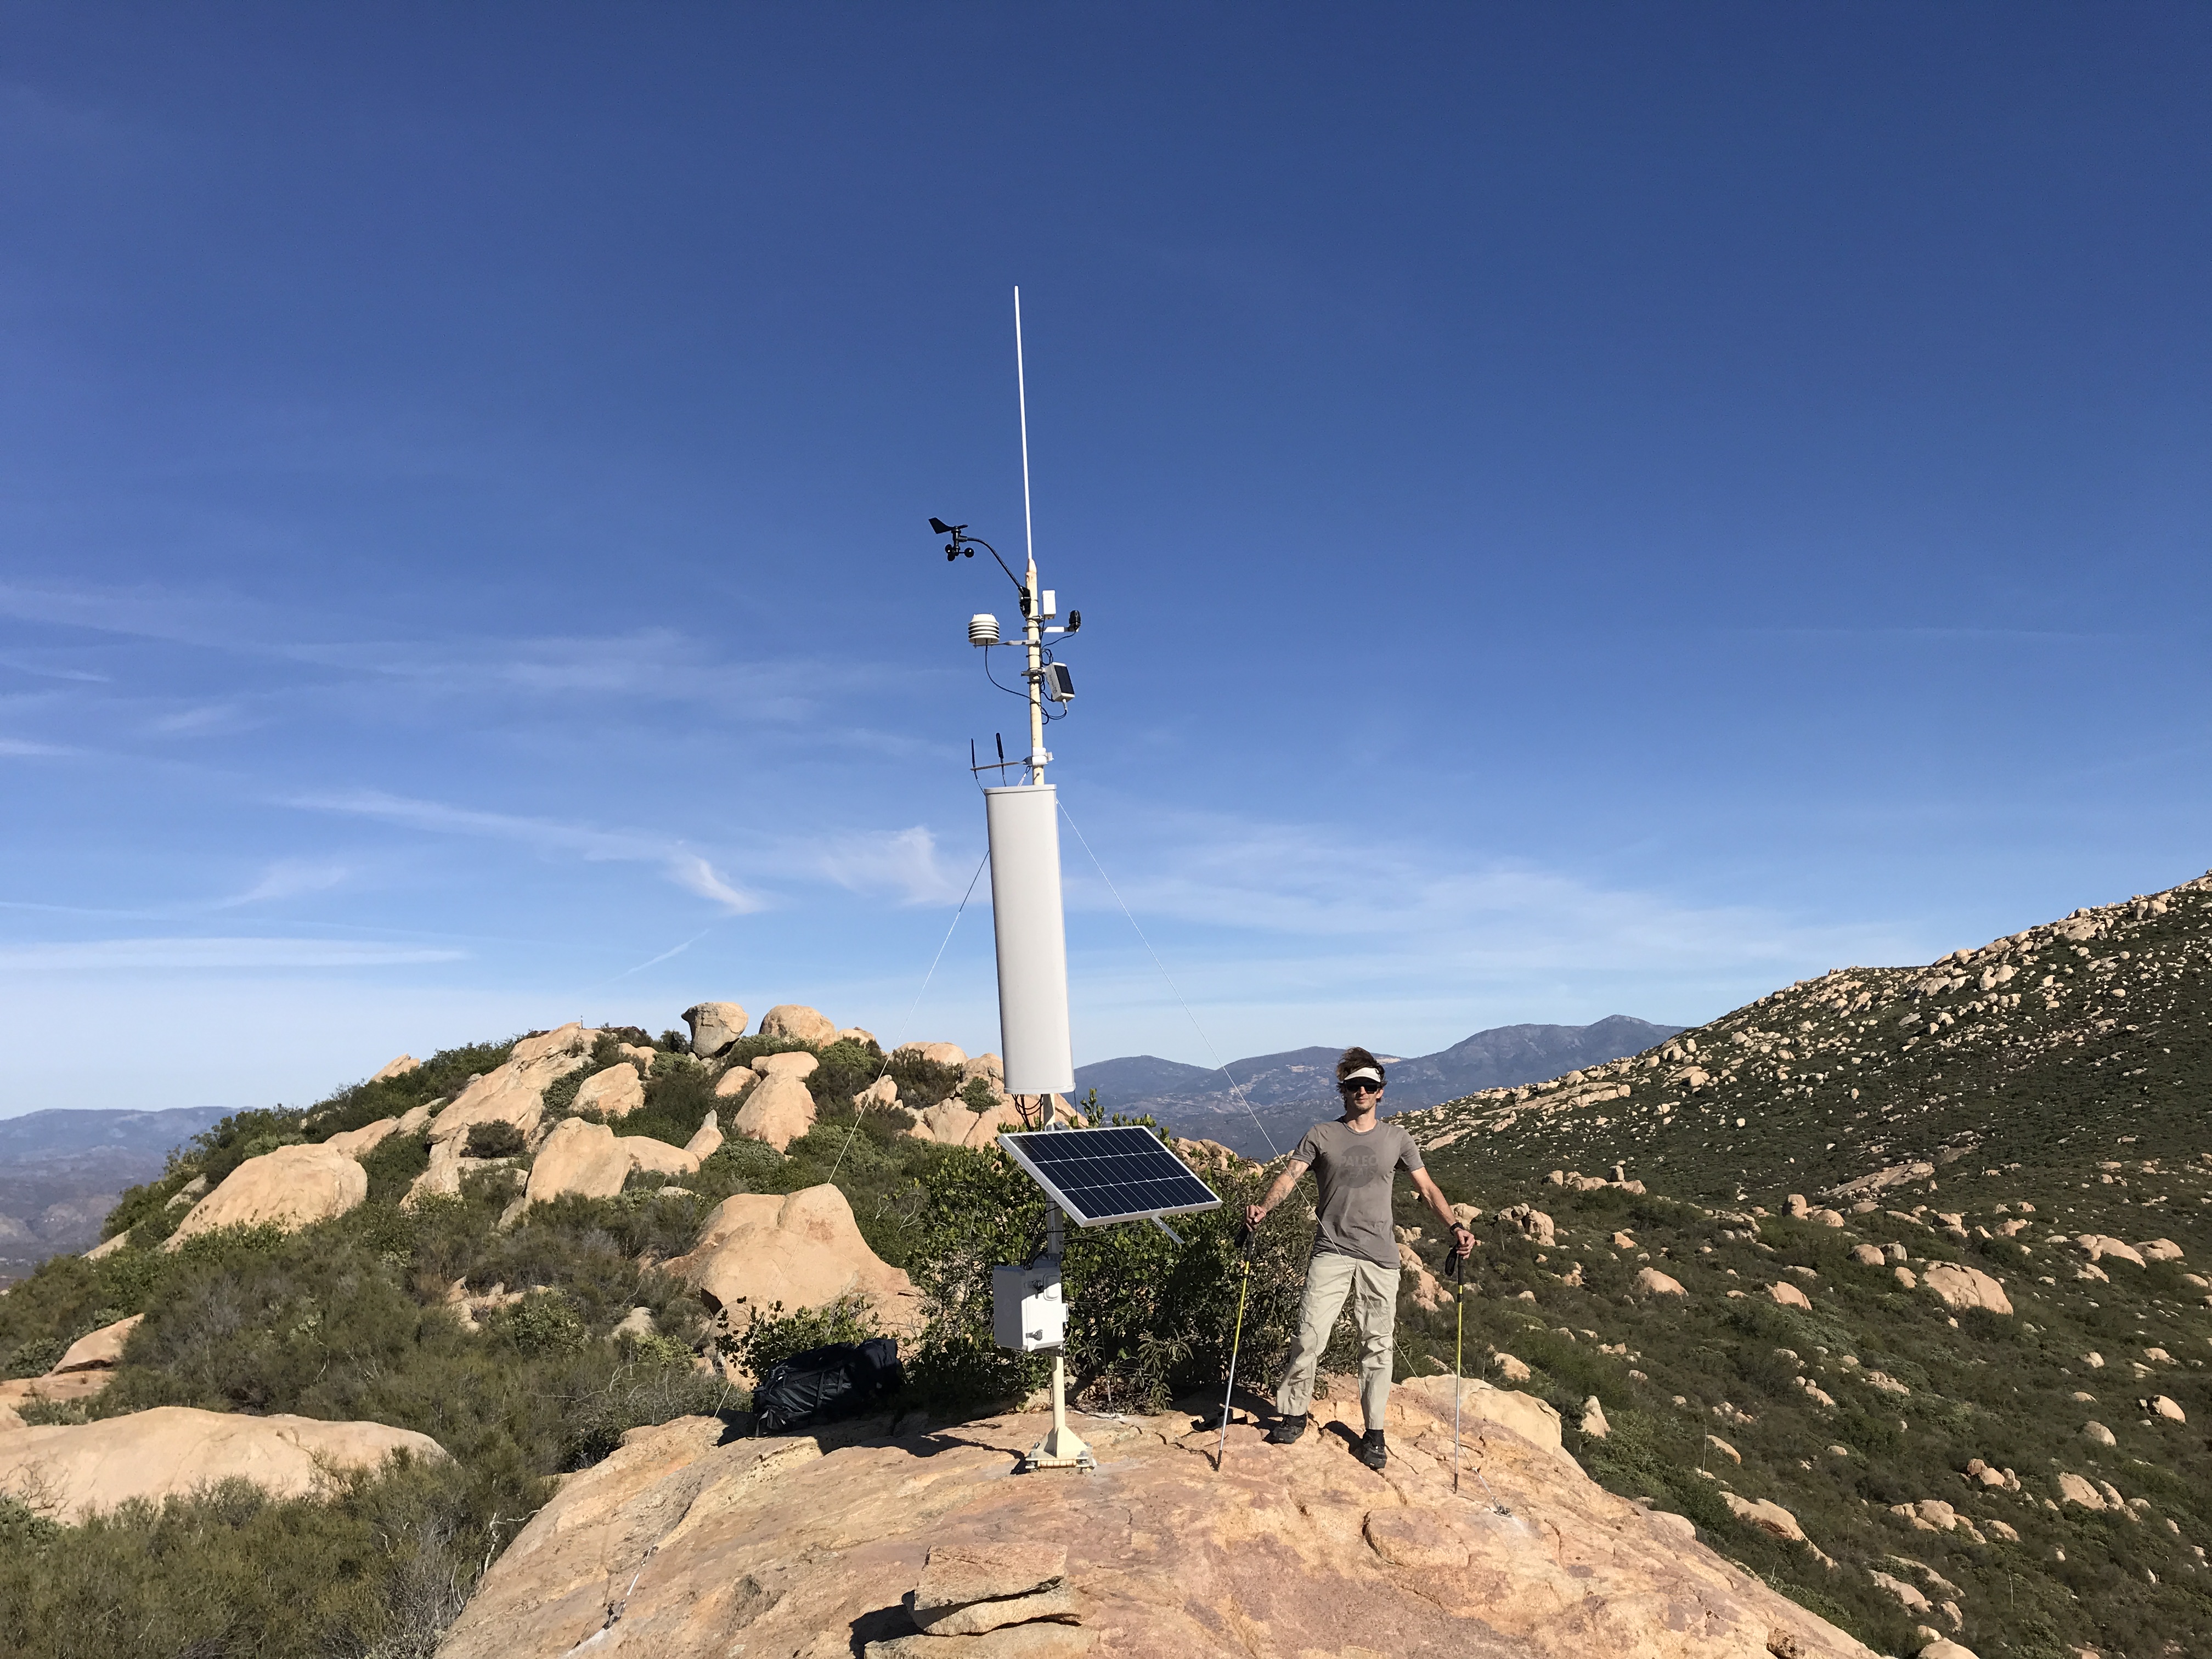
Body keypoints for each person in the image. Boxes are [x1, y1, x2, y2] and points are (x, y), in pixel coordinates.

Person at [1244, 1045, 1473, 1471]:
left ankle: (1375, 1433)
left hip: (1380, 1256)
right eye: (1354, 1085)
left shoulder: (1398, 1139)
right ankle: (1293, 1415)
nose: (1362, 1091)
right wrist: (1264, 1207)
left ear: (1381, 1092)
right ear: (1343, 1091)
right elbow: (1290, 1178)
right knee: (1310, 1335)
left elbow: (1427, 1189)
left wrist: (1454, 1226)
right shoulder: (1320, 1135)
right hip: (1331, 1250)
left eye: (1370, 1085)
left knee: (1377, 1346)